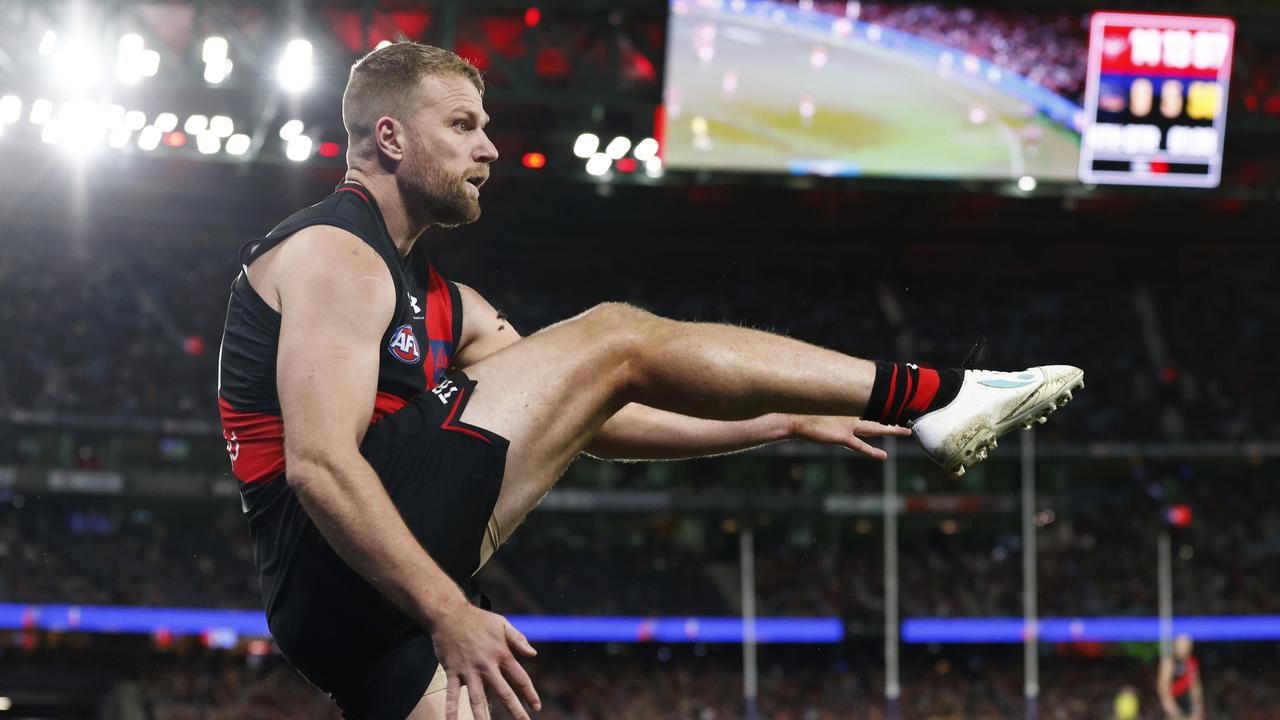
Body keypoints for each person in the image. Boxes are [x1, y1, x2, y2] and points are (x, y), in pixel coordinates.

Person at [216, 42, 1084, 720]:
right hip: (338, 562)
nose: (489, 146)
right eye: (463, 125)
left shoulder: (447, 301)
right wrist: (449, 609)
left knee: (608, 357)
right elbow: (321, 465)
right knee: (616, 332)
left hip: (361, 613)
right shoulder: (336, 254)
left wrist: (777, 419)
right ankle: (933, 394)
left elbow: (593, 413)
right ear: (391, 138)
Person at [1158, 634, 1204, 720]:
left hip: (1189, 711)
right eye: (1182, 643)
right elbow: (1163, 689)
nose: (1185, 647)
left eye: (1187, 644)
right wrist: (1175, 713)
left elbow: (1195, 689)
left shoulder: (1191, 663)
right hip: (1174, 712)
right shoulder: (1169, 662)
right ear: (1175, 644)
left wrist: (1197, 711)